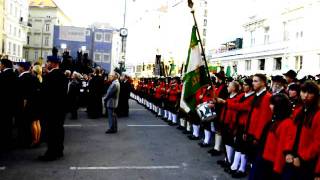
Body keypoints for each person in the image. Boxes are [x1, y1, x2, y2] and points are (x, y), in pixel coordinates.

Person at [248, 94, 295, 180]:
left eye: (272, 104)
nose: (270, 106)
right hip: (265, 159)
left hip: (272, 164)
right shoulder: (276, 120)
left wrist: (277, 170)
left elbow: (281, 148)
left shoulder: (286, 123)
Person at [283, 81, 320, 180]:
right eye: (303, 92)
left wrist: (302, 158)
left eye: (310, 93)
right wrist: (288, 152)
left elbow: (317, 143)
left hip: (306, 162)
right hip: (293, 156)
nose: (306, 95)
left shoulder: (317, 114)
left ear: (316, 95)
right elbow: (291, 133)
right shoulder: (299, 110)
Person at [38, 55, 68, 161]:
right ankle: (59, 150)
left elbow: (45, 94)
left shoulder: (50, 76)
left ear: (55, 64)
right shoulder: (63, 75)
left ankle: (51, 153)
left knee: (51, 132)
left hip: (51, 110)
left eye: (49, 62)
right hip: (60, 110)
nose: (47, 63)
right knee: (59, 130)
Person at [16, 62, 41, 148]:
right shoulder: (34, 77)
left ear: (22, 68)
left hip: (28, 103)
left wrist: (23, 104)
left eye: (18, 67)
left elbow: (21, 93)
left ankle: (33, 140)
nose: (17, 68)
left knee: (31, 123)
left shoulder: (22, 78)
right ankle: (37, 139)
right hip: (36, 102)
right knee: (37, 122)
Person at [0, 59, 18, 151]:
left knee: (4, 123)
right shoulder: (15, 74)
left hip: (4, 103)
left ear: (3, 65)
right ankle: (9, 141)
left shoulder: (3, 75)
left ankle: (5, 142)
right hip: (12, 103)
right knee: (9, 123)